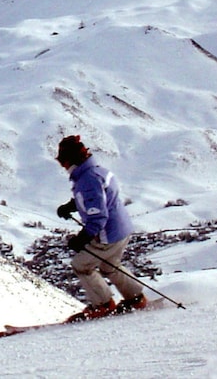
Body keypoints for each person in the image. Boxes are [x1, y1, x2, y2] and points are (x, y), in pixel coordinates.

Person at [54, 135, 149, 322]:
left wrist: (83, 238)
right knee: (110, 265)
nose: (62, 167)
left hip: (108, 234)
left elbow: (98, 216)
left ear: (69, 161)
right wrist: (73, 206)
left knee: (81, 265)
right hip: (122, 229)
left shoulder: (87, 180)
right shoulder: (98, 171)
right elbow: (100, 198)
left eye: (62, 162)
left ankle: (103, 305)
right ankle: (136, 298)